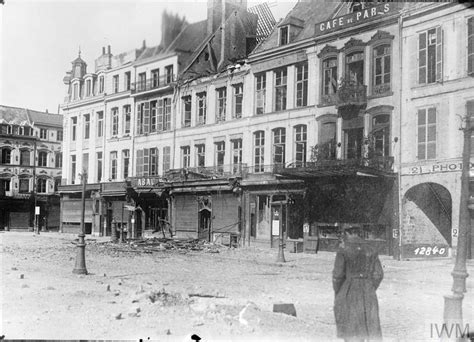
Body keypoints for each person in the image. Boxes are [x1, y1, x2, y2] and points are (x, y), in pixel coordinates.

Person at [332, 226, 384, 341]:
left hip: (348, 290)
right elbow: (378, 274)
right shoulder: (371, 248)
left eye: (344, 233)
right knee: (368, 326)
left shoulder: (343, 249)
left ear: (347, 232)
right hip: (368, 291)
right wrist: (369, 287)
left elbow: (338, 275)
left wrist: (339, 291)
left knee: (351, 329)